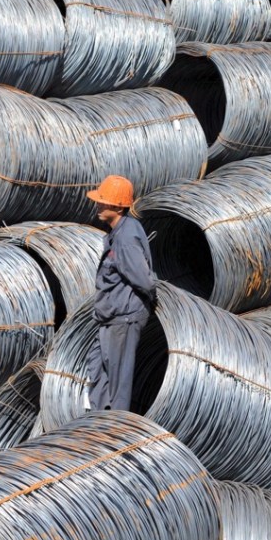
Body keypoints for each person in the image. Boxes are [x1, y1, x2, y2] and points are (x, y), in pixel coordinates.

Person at [85, 175, 156, 412]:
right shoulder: (119, 233)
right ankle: (97, 422)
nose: (97, 205)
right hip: (110, 318)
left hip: (123, 318)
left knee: (118, 384)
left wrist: (138, 307)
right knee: (97, 370)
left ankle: (115, 432)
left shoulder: (125, 238)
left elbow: (144, 280)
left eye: (102, 201)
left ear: (116, 206)